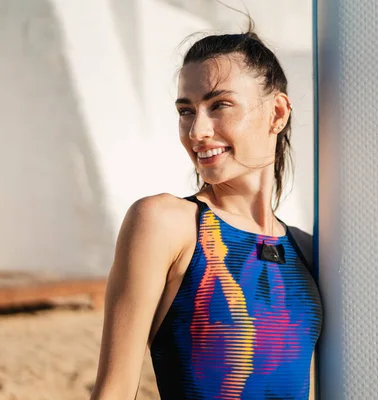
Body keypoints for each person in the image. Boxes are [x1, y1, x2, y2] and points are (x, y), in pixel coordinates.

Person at [90, 27, 322, 400]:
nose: (197, 131)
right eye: (186, 111)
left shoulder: (308, 251)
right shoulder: (164, 223)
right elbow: (113, 391)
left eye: (219, 105)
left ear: (276, 113)